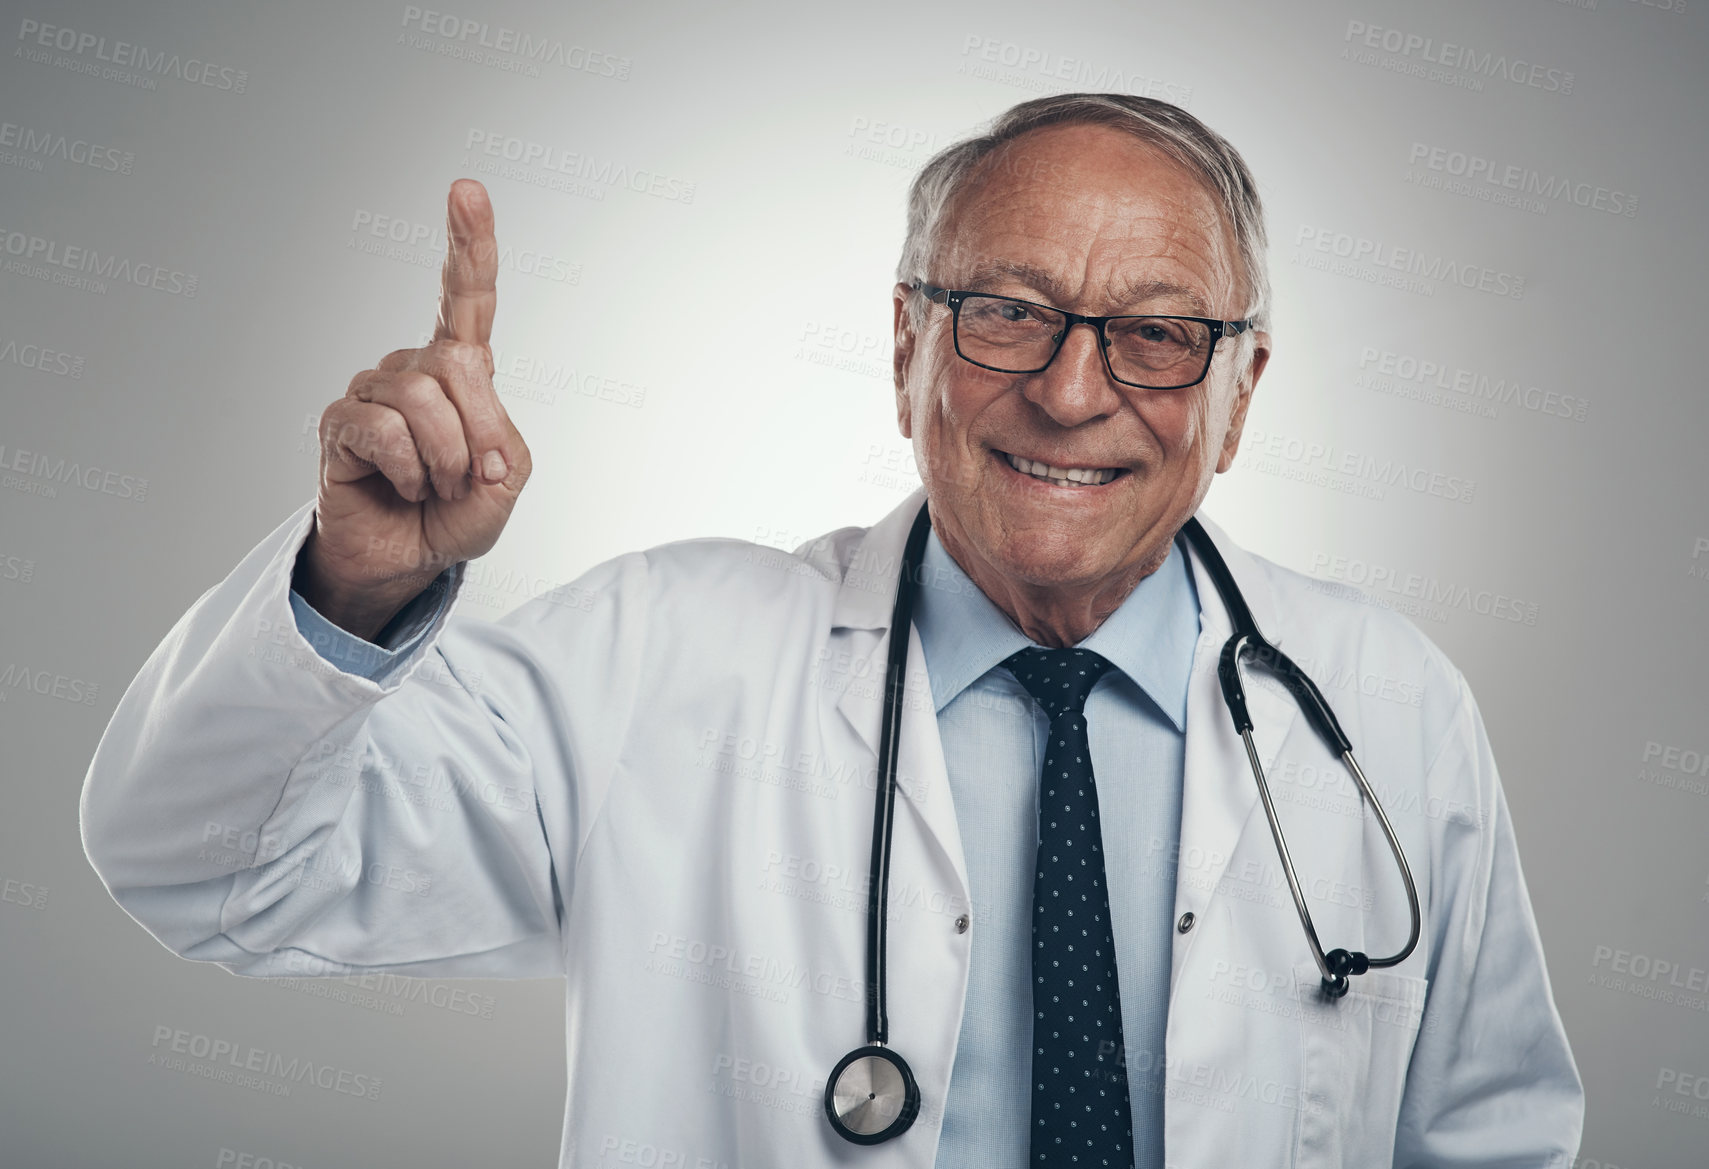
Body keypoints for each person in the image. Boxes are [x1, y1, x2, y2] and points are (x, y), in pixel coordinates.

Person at [80, 94, 1583, 1167]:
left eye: (1156, 335)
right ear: (904, 343)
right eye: (1004, 309)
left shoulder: (1383, 701)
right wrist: (358, 589)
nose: (1069, 391)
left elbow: (1492, 1136)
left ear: (1239, 393)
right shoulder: (659, 660)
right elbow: (207, 873)